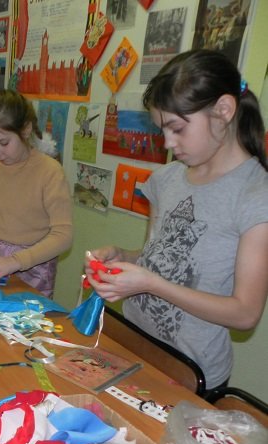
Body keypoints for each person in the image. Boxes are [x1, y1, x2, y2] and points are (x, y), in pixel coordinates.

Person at [85, 49, 268, 391]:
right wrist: (125, 258)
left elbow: (245, 313)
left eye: (177, 129)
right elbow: (157, 255)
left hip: (190, 372)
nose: (168, 143)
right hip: (135, 346)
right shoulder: (167, 179)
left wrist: (151, 284)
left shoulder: (256, 195)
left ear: (223, 110)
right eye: (162, 130)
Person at [0, 89, 73, 298]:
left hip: (34, 267)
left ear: (26, 130)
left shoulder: (50, 172)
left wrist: (16, 261)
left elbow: (63, 236)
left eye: (4, 143)